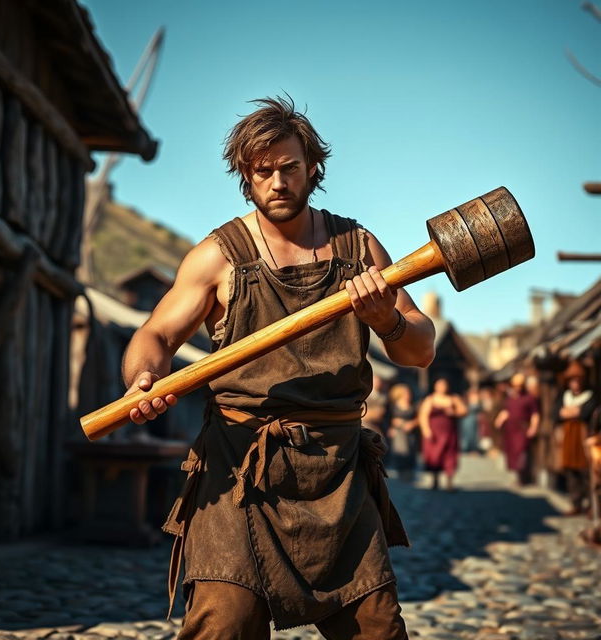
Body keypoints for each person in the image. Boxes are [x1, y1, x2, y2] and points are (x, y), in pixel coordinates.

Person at [120, 96, 436, 639]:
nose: (277, 182)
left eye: (289, 167)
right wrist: (142, 379)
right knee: (225, 622)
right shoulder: (219, 256)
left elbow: (420, 348)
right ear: (246, 176)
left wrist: (388, 320)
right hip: (240, 469)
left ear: (312, 167)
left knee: (376, 629)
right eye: (261, 171)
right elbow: (156, 334)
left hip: (337, 473)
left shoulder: (358, 248)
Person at [553, 361, 596, 515]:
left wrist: (571, 412)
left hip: (583, 438)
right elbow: (557, 414)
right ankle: (576, 503)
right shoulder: (564, 396)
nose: (575, 384)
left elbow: (584, 413)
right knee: (571, 473)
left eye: (578, 381)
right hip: (568, 439)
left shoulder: (590, 396)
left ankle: (591, 504)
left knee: (586, 473)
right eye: (572, 381)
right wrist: (573, 412)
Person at [418, 377, 467, 491]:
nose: (442, 388)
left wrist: (454, 412)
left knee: (450, 457)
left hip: (449, 433)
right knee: (434, 457)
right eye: (439, 385)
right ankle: (435, 481)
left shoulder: (453, 398)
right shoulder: (430, 399)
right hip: (434, 434)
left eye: (444, 385)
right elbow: (423, 415)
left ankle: (449, 482)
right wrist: (426, 430)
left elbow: (464, 411)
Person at [494, 372, 539, 486]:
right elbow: (507, 411)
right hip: (511, 430)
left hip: (522, 429)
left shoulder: (529, 398)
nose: (517, 388)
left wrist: (533, 427)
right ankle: (518, 476)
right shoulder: (509, 398)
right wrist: (500, 419)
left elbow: (535, 414)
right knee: (513, 453)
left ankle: (524, 476)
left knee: (521, 453)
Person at [388, 384, 419, 482]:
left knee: (410, 451)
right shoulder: (393, 406)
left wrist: (412, 424)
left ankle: (409, 473)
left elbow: (419, 418)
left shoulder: (413, 405)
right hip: (398, 433)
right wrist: (392, 425)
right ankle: (400, 474)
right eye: (406, 393)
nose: (408, 395)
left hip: (410, 433)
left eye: (409, 393)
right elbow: (388, 418)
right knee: (400, 451)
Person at [459, 386, 482, 454]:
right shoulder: (465, 404)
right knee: (466, 438)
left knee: (473, 436)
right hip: (466, 424)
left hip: (473, 424)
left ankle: (473, 448)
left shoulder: (477, 406)